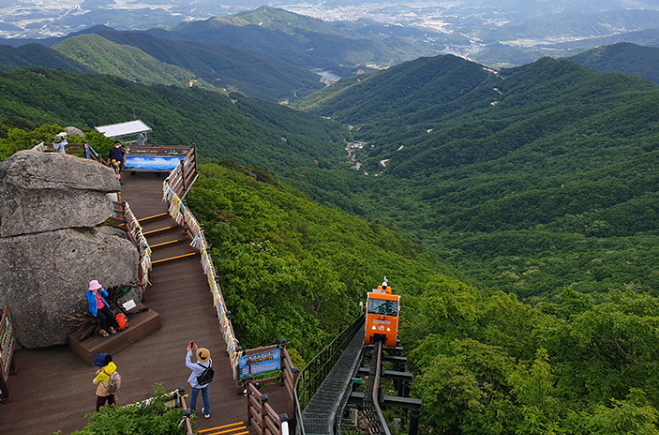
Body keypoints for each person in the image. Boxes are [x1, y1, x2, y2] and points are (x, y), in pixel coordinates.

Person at [186, 343, 212, 419]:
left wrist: (188, 352)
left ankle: (192, 413)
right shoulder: (210, 361)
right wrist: (197, 350)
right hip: (206, 382)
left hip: (197, 384)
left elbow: (188, 363)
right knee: (205, 395)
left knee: (193, 398)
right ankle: (207, 412)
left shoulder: (197, 367)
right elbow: (202, 359)